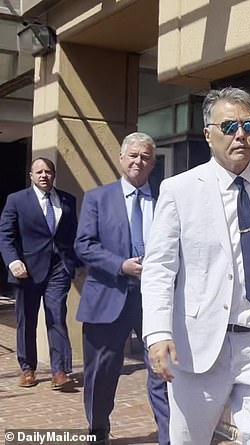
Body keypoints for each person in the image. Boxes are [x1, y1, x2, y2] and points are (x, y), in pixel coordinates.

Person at [142, 87, 250, 444]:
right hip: (198, 345)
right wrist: (157, 333)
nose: (241, 134)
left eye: (249, 126)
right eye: (229, 126)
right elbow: (159, 269)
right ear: (208, 134)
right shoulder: (179, 190)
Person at [74, 132, 169, 445]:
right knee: (101, 372)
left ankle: (169, 436)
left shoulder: (165, 199)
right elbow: (84, 245)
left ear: (152, 163)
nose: (138, 162)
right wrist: (120, 264)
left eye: (145, 157)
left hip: (154, 299)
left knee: (162, 369)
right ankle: (98, 430)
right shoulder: (98, 198)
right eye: (133, 155)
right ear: (121, 158)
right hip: (108, 295)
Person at [0, 157, 81, 390]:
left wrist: (72, 263)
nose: (44, 175)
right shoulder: (16, 200)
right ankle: (28, 369)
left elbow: (71, 235)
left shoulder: (67, 199)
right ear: (31, 176)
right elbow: (5, 235)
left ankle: (60, 371)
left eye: (48, 171)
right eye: (39, 172)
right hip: (27, 270)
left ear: (54, 175)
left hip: (58, 269)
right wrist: (13, 261)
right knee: (27, 319)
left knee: (56, 316)